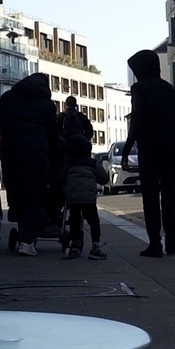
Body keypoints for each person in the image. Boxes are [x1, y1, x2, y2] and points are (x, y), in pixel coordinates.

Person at [125, 49, 175, 257]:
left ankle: (155, 243)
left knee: (151, 196)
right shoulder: (168, 88)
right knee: (169, 194)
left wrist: (127, 150)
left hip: (149, 148)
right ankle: (172, 242)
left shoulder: (139, 89)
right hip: (170, 147)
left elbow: (137, 120)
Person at [0, 68, 59, 252]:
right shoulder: (45, 104)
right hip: (37, 157)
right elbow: (54, 135)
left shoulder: (8, 98)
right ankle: (27, 241)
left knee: (17, 194)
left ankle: (24, 233)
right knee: (34, 196)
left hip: (11, 156)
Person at [59, 110, 106, 259]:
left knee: (74, 220)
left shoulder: (69, 164)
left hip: (73, 199)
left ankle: (74, 244)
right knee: (94, 222)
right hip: (88, 199)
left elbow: (62, 179)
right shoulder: (92, 163)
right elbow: (104, 178)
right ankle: (95, 247)